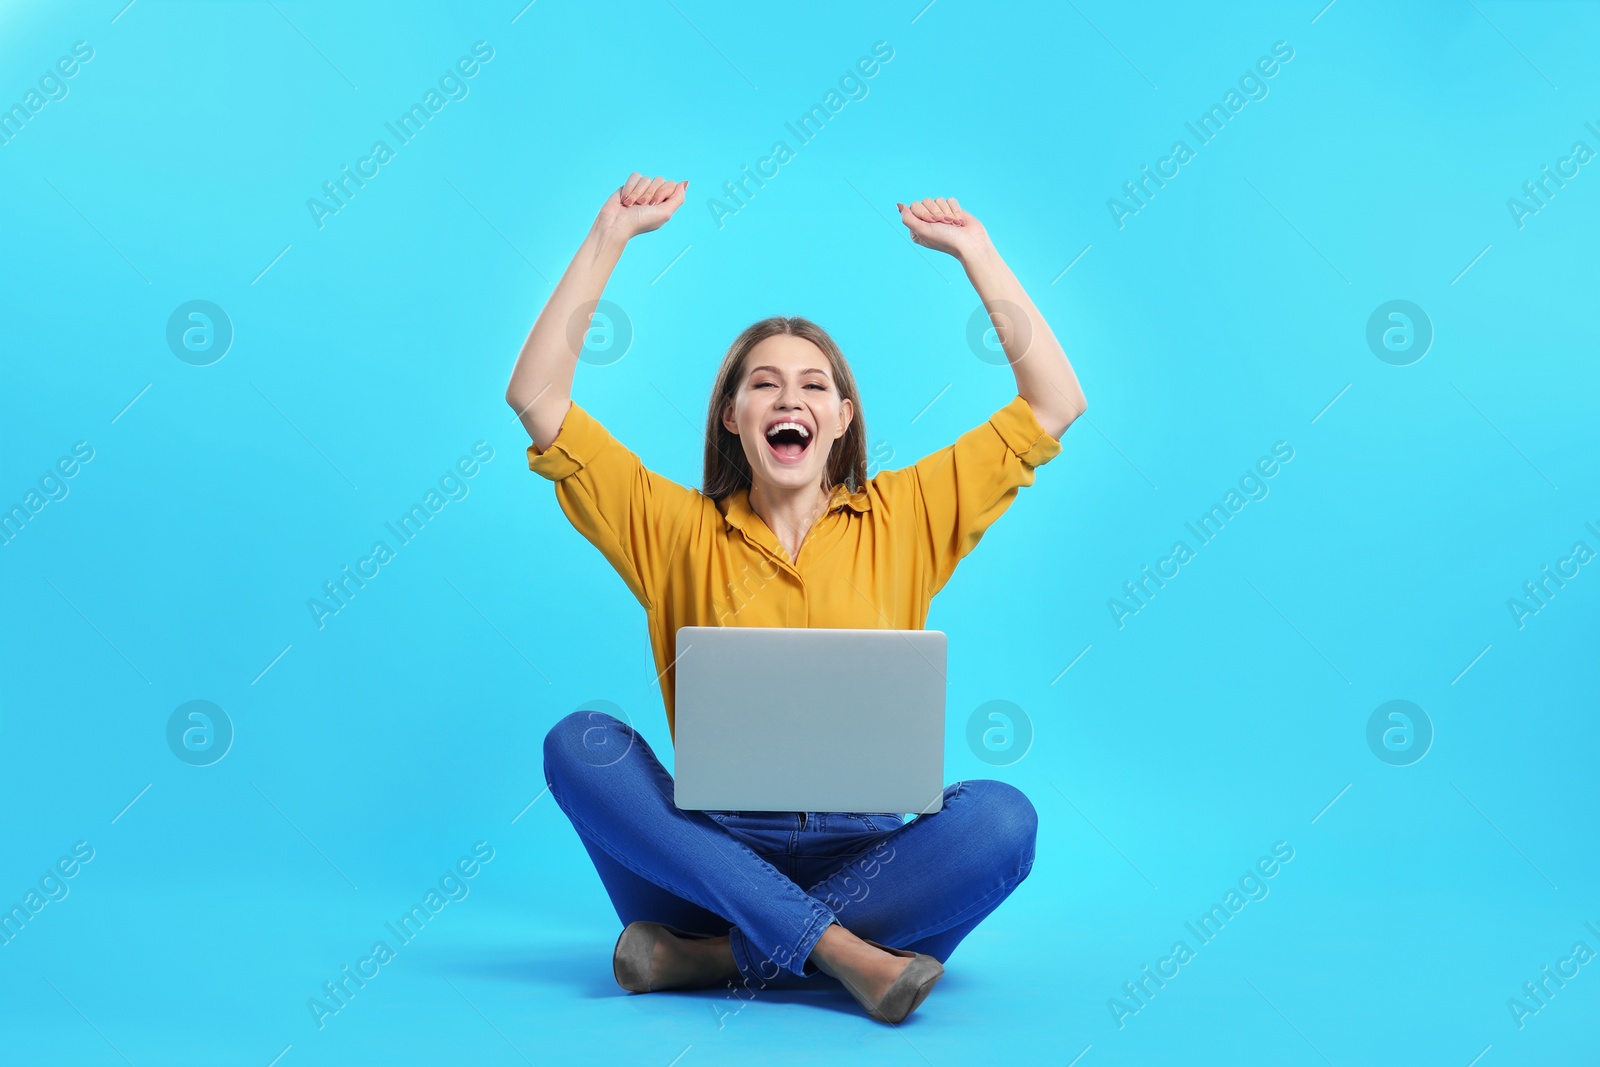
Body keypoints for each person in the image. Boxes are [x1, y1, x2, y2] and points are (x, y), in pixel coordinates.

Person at [506, 173, 1087, 1024]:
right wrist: (608, 239)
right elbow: (537, 398)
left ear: (843, 418)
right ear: (734, 417)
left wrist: (977, 253)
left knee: (1003, 820)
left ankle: (712, 959)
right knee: (579, 743)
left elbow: (1055, 401)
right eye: (764, 384)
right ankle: (844, 956)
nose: (790, 398)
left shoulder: (908, 516)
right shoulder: (671, 528)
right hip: (709, 861)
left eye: (813, 385)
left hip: (869, 859)